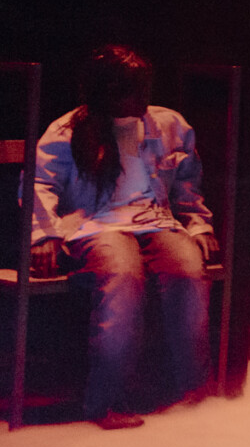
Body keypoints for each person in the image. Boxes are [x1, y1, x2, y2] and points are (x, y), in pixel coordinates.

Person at [29, 46, 216, 427]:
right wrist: (43, 235)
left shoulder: (168, 124)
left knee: (187, 270)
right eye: (130, 89)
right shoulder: (67, 131)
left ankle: (195, 389)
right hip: (95, 225)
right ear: (106, 91)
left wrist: (198, 224)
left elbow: (187, 185)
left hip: (155, 221)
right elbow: (39, 184)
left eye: (144, 87)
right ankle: (107, 400)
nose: (141, 98)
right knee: (123, 275)